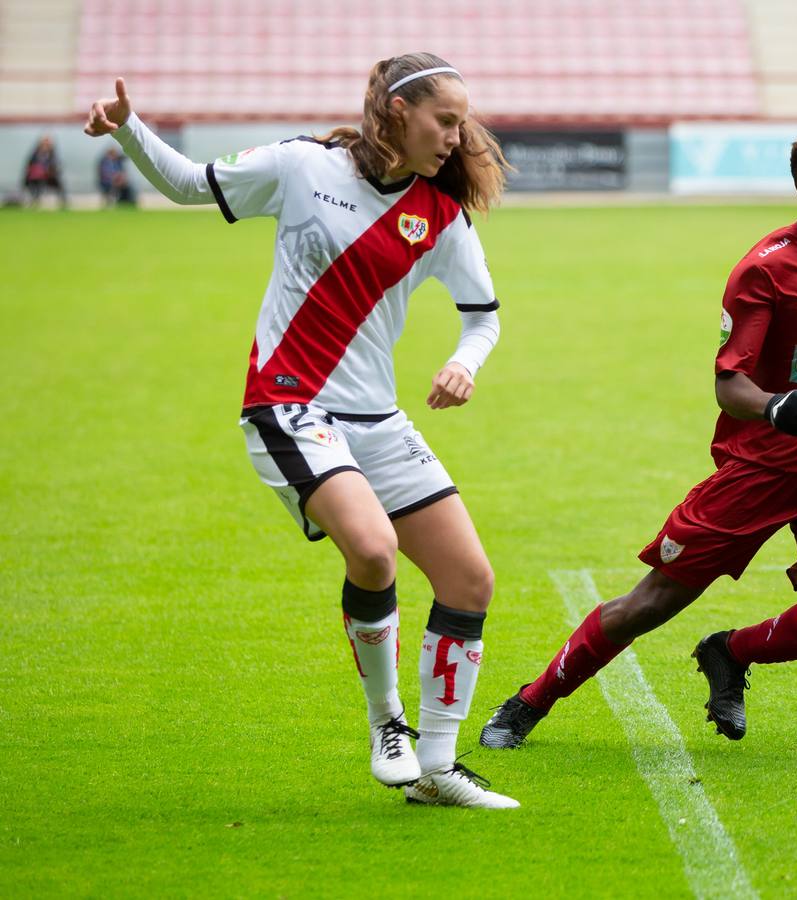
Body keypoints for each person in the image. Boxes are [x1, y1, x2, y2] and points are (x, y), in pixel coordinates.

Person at [83, 53, 520, 808]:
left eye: (461, 123)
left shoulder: (441, 214)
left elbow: (482, 316)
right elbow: (190, 184)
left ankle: (439, 770)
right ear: (396, 110)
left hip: (377, 419)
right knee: (374, 551)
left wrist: (465, 363)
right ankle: (389, 726)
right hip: (289, 405)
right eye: (444, 120)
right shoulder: (299, 166)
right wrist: (130, 132)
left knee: (469, 579)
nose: (458, 136)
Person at [481, 122, 797, 749]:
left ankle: (729, 652)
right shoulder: (764, 270)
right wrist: (775, 407)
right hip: (760, 472)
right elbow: (730, 384)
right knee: (649, 604)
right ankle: (530, 702)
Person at [23, 134, 68, 209]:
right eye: (45, 141)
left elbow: (57, 165)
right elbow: (29, 165)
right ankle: (34, 202)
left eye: (48, 142)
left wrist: (52, 170)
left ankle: (63, 203)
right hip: (36, 178)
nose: (46, 144)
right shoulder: (35, 153)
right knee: (36, 187)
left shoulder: (52, 153)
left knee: (60, 185)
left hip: (49, 177)